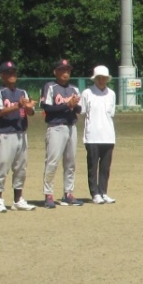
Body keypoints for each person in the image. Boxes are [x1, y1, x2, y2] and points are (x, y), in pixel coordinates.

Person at [0, 61, 36, 212]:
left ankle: (18, 200)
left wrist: (28, 108)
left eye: (14, 72)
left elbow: (30, 112)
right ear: (1, 75)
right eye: (8, 72)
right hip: (4, 134)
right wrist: (18, 106)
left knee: (21, 168)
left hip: (21, 133)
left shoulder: (22, 92)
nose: (12, 75)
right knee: (2, 167)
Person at [40, 58, 83, 208]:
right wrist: (67, 105)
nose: (66, 73)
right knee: (52, 162)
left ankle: (68, 193)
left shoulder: (74, 89)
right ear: (55, 72)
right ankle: (48, 194)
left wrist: (74, 105)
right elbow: (47, 108)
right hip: (56, 127)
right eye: (62, 70)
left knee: (70, 162)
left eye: (68, 70)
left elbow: (79, 109)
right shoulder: (50, 87)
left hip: (71, 127)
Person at [80, 65, 117, 204]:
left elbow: (111, 113)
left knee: (105, 167)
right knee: (93, 166)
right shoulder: (87, 93)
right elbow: (82, 111)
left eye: (104, 78)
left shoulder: (111, 94)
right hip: (92, 136)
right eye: (99, 78)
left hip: (108, 135)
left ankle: (103, 192)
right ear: (95, 79)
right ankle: (94, 193)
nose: (101, 80)